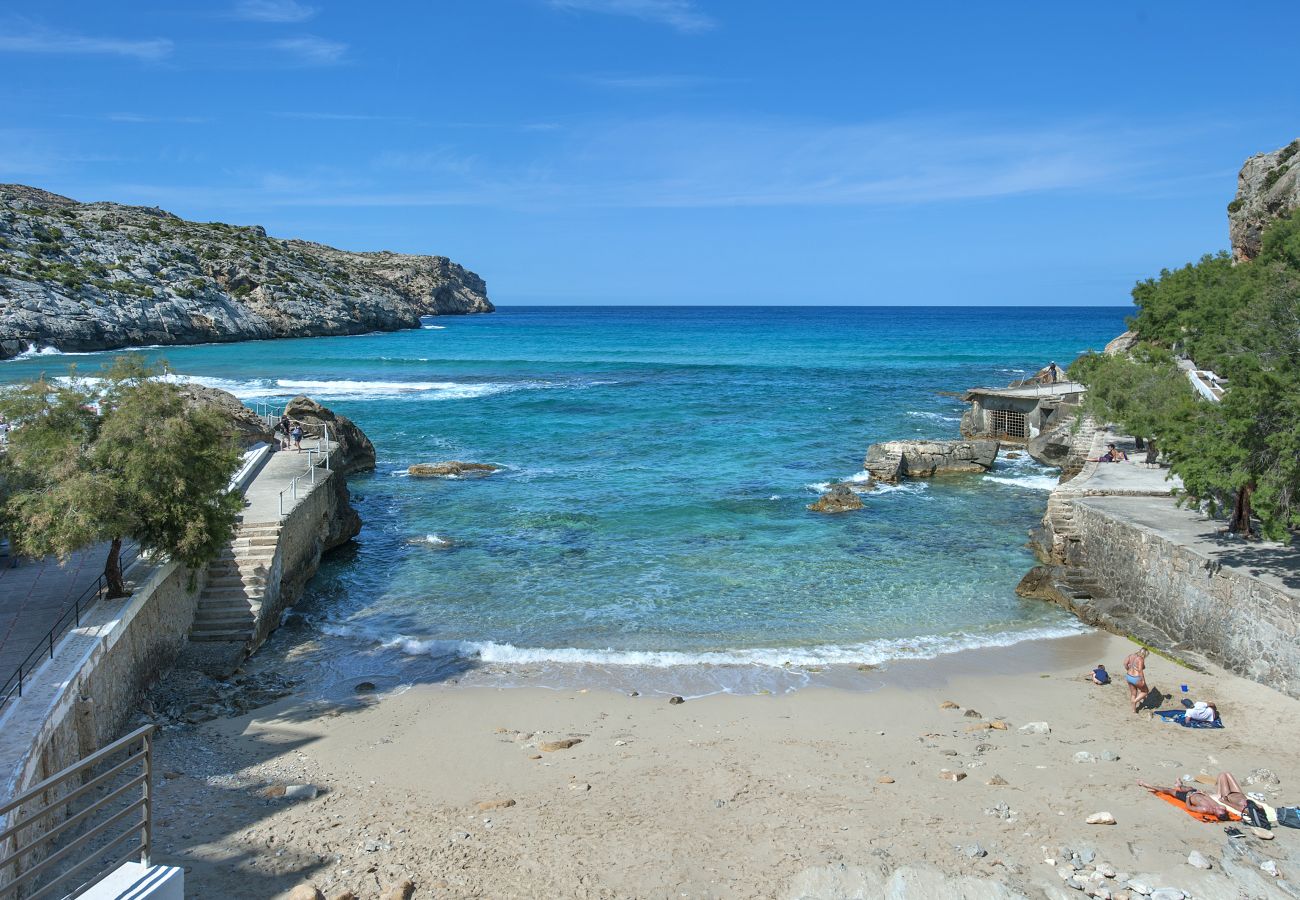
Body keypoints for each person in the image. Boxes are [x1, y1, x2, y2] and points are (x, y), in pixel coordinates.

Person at [1138, 772, 1244, 819]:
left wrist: (1188, 797)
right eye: (1221, 809)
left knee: (1168, 790)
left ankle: (1147, 785)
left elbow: (1189, 807)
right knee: (1187, 788)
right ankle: (1180, 785)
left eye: (1218, 810)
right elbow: (1215, 802)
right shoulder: (1221, 807)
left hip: (1188, 797)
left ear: (1216, 814)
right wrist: (1204, 794)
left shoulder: (1204, 809)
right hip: (1196, 793)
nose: (1218, 808)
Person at [1124, 647, 1150, 713]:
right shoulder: (1140, 659)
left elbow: (1125, 663)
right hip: (1136, 678)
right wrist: (1143, 680)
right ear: (1144, 654)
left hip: (1128, 676)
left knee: (1133, 693)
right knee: (1145, 691)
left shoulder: (1131, 655)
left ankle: (1134, 710)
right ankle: (1135, 701)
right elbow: (1140, 670)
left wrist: (1128, 669)